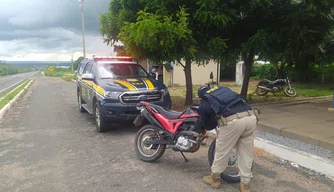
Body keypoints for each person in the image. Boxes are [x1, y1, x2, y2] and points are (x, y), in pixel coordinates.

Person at [197, 85, 258, 192]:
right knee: (246, 153)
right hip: (251, 117)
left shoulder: (204, 102)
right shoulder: (224, 90)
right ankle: (245, 184)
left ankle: (214, 179)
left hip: (233, 122)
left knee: (222, 150)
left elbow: (209, 126)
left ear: (201, 97)